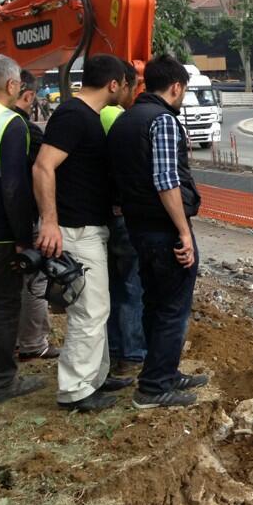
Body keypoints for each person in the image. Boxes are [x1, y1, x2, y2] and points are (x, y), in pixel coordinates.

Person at [107, 55, 207, 408]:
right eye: (184, 91)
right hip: (163, 230)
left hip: (137, 227)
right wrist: (182, 231)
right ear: (176, 87)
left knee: (153, 300)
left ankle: (163, 368)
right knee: (171, 306)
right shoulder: (162, 121)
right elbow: (167, 182)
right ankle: (154, 386)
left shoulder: (125, 120)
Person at [34, 54, 129, 411]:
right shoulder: (74, 116)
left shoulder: (84, 117)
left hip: (89, 225)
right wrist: (49, 222)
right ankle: (75, 391)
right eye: (124, 83)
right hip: (75, 229)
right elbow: (44, 167)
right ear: (114, 84)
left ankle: (96, 377)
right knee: (88, 312)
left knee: (97, 308)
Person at [0, 55, 43, 406]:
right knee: (2, 307)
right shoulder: (10, 123)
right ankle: (0, 383)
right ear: (11, 85)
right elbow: (14, 188)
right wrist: (24, 239)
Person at [102, 62, 147, 377]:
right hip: (123, 215)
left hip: (103, 215)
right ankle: (132, 355)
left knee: (114, 286)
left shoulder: (92, 116)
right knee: (133, 285)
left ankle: (117, 350)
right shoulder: (117, 117)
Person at [11, 70, 59, 362]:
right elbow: (41, 174)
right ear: (27, 95)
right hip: (23, 217)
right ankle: (31, 343)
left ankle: (29, 336)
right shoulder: (24, 129)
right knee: (34, 281)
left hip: (0, 218)